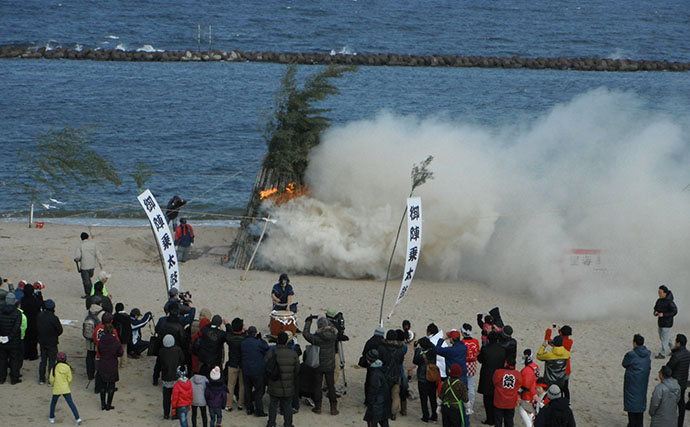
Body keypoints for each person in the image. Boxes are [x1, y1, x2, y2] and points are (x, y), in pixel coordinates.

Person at [303, 315, 339, 415]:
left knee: (317, 386)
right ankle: (333, 408)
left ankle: (318, 407)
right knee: (331, 386)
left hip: (319, 364)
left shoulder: (316, 338)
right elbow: (335, 328)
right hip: (330, 364)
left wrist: (308, 322)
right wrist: (326, 320)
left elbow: (305, 334)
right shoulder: (333, 336)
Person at [265, 331, 300, 427]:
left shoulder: (271, 353)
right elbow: (297, 369)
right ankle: (288, 424)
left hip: (274, 382)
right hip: (288, 384)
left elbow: (266, 367)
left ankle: (271, 423)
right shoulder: (293, 354)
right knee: (288, 405)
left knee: (273, 405)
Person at [622, 334, 651, 427]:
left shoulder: (631, 354)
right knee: (639, 409)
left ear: (634, 343)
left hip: (632, 383)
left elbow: (624, 363)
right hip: (642, 383)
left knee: (632, 410)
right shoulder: (647, 354)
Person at [478, 331, 506, 425]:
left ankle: (490, 419)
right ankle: (496, 419)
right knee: (497, 399)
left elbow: (480, 359)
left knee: (487, 400)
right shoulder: (502, 350)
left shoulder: (485, 349)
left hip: (487, 376)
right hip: (499, 376)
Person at [48, 352, 83, 425]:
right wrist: (66, 384)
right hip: (65, 388)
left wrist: (54, 384)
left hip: (57, 388)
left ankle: (52, 418)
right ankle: (77, 418)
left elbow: (51, 379)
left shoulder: (54, 367)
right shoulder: (67, 367)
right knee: (71, 403)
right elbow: (70, 378)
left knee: (53, 403)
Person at [242, 326, 269, 417]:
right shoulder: (258, 343)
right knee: (258, 391)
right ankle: (259, 410)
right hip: (257, 370)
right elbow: (266, 348)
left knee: (248, 389)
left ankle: (249, 408)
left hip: (246, 370)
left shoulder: (244, 343)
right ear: (255, 333)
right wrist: (261, 339)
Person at [378, 329, 405, 420]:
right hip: (396, 373)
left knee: (383, 394)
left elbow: (380, 360)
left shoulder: (382, 347)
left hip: (384, 373)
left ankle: (383, 411)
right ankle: (393, 413)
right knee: (395, 395)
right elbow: (401, 361)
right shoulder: (400, 349)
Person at [665, 334, 690, 427]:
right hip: (683, 382)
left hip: (675, 383)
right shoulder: (687, 353)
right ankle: (680, 423)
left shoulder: (676, 356)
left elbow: (669, 367)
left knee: (672, 405)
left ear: (678, 343)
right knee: (681, 403)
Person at [159, 334, 186, 419]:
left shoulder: (161, 351)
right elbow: (183, 360)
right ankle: (176, 414)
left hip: (166, 377)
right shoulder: (177, 350)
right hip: (176, 376)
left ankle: (166, 414)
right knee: (176, 397)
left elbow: (159, 363)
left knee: (166, 398)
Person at [97, 322, 122, 410]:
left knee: (102, 386)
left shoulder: (101, 340)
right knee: (111, 385)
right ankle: (108, 404)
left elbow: (99, 350)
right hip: (112, 364)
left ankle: (103, 404)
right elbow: (120, 353)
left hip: (103, 364)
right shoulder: (116, 341)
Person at [37, 299, 63, 385]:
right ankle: (50, 379)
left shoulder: (40, 316)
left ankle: (41, 378)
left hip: (42, 341)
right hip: (52, 342)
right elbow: (59, 330)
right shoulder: (54, 318)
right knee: (52, 361)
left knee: (43, 360)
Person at [413, 336, 438, 423]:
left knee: (424, 399)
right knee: (432, 398)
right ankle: (434, 415)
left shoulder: (420, 355)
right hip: (432, 377)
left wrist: (416, 349)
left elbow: (415, 361)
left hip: (423, 378)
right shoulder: (433, 352)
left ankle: (425, 416)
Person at [544, 324, 573, 399]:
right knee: (565, 387)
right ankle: (567, 401)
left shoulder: (557, 343)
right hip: (566, 368)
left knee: (556, 387)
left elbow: (547, 339)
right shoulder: (570, 342)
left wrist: (549, 329)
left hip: (557, 368)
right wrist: (560, 331)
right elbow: (561, 338)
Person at [364, 349, 391, 427]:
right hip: (385, 402)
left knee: (372, 422)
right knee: (384, 422)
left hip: (376, 404)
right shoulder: (382, 369)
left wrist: (369, 402)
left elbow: (373, 390)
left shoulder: (374, 374)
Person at [0, 292, 23, 384]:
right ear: (14, 301)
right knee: (14, 359)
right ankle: (14, 378)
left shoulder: (0, 312)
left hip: (1, 340)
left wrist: (1, 337)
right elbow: (16, 328)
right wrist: (9, 337)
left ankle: (1, 378)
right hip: (13, 341)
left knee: (2, 359)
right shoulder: (17, 313)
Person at [224, 317, 246, 412]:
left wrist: (227, 324)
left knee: (230, 384)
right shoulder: (245, 338)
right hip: (242, 364)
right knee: (242, 385)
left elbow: (229, 333)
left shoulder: (229, 338)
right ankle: (240, 403)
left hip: (232, 364)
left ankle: (228, 404)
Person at [493, 358, 523, 427]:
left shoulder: (498, 372)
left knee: (498, 421)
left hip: (499, 401)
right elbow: (519, 385)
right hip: (511, 402)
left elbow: (494, 382)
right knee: (509, 420)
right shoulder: (517, 374)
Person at [74, 232, 104, 298]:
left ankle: (89, 294)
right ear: (88, 237)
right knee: (88, 279)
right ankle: (92, 292)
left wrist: (77, 260)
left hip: (84, 266)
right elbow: (98, 254)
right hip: (92, 266)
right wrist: (101, 264)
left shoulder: (80, 245)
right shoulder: (93, 245)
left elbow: (78, 256)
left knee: (86, 281)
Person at [653, 285, 677, 359]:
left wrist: (664, 314)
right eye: (658, 293)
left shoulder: (670, 302)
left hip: (667, 323)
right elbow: (656, 308)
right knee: (664, 337)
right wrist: (655, 312)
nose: (659, 294)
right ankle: (674, 349)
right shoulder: (659, 300)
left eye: (660, 293)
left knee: (664, 338)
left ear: (665, 293)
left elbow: (674, 311)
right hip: (661, 322)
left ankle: (663, 353)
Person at [518, 349, 541, 427]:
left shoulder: (526, 370)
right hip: (535, 393)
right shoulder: (535, 366)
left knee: (523, 410)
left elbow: (525, 386)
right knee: (531, 413)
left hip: (527, 395)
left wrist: (518, 395)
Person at [461, 323, 480, 416]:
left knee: (464, 387)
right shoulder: (476, 341)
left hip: (464, 366)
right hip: (473, 366)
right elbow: (478, 352)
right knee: (471, 387)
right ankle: (470, 407)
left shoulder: (461, 342)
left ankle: (464, 406)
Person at [83, 304, 103, 384]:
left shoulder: (88, 313)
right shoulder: (102, 314)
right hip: (98, 339)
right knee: (99, 357)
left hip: (89, 339)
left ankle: (90, 375)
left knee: (89, 356)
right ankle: (98, 374)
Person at [20, 283, 41, 360]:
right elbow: (40, 306)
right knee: (33, 339)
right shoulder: (34, 300)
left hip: (26, 321)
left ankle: (26, 354)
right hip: (34, 322)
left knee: (26, 339)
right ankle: (33, 355)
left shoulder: (23, 299)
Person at [113, 302, 132, 367]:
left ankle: (117, 364)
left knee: (116, 350)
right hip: (125, 337)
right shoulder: (127, 317)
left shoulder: (115, 316)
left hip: (117, 336)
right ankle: (123, 363)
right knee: (124, 350)